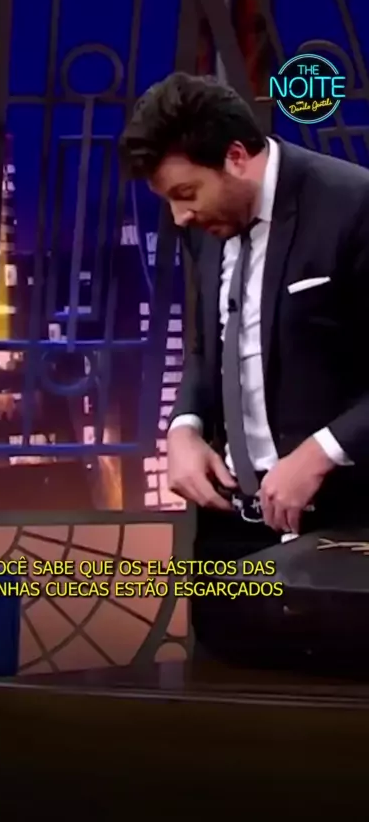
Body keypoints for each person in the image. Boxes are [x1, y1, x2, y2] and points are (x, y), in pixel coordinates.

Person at [119, 73, 369, 655]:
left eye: (186, 193)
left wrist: (321, 452)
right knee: (221, 688)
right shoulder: (208, 225)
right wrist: (183, 428)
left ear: (235, 157)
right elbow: (210, 344)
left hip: (346, 523)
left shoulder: (353, 206)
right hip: (229, 526)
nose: (180, 216)